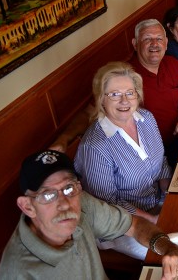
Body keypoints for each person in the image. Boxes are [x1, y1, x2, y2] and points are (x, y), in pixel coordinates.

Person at [0, 150, 178, 279]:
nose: (64, 204)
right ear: (27, 206)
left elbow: (134, 225)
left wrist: (167, 248)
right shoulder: (20, 273)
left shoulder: (81, 202)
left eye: (69, 187)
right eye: (48, 195)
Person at [49, 19, 178, 169]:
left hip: (177, 143)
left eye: (159, 38)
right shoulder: (124, 77)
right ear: (135, 44)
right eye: (147, 39)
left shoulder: (173, 64)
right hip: (145, 157)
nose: (154, 44)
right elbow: (89, 114)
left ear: (166, 43)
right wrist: (64, 138)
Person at [74, 62, 172, 259]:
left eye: (130, 92)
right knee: (170, 252)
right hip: (120, 226)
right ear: (101, 99)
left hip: (155, 205)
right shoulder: (96, 145)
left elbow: (161, 163)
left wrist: (170, 196)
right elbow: (107, 203)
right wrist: (151, 220)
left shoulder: (146, 118)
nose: (124, 100)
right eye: (115, 94)